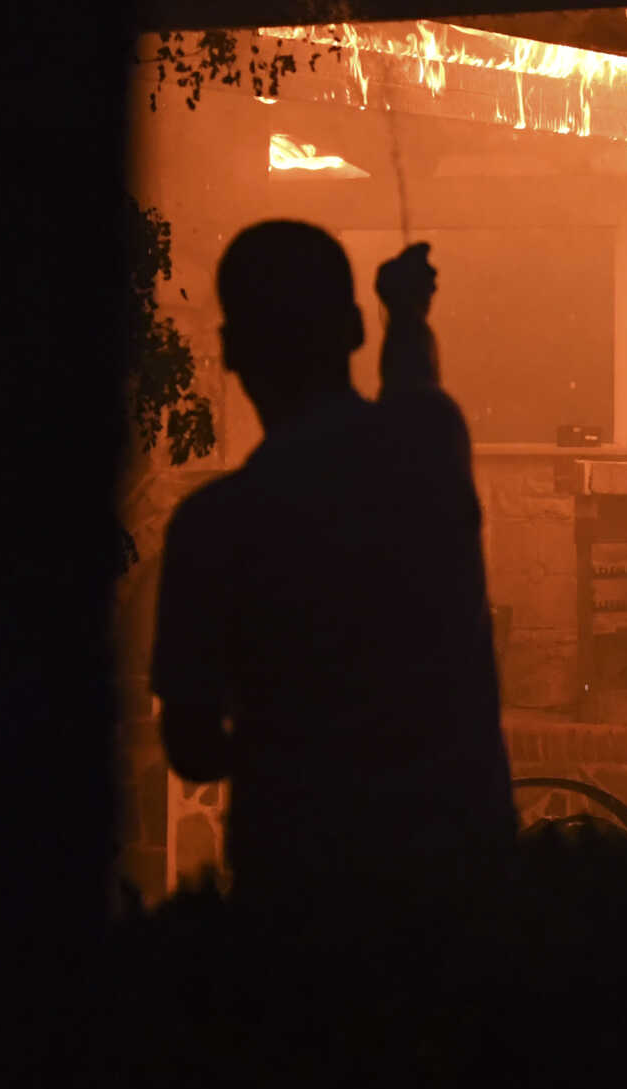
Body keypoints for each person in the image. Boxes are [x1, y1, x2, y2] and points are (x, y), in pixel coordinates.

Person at [151, 222, 515, 900]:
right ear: (352, 329)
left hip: (301, 909)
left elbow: (192, 743)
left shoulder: (212, 529)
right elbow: (412, 385)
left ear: (230, 351)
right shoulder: (430, 449)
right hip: (465, 895)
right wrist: (403, 312)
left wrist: (296, 745)